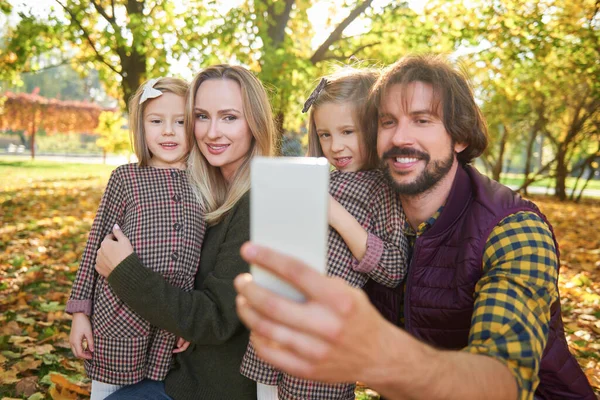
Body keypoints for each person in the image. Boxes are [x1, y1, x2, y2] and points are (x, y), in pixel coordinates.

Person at [234, 55, 596, 400]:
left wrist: (378, 353)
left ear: (459, 136)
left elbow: (503, 381)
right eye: (388, 122)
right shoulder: (370, 205)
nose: (399, 137)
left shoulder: (513, 230)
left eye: (421, 120)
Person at [93, 65, 276, 400]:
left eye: (230, 117)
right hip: (171, 369)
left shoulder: (258, 202)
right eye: (201, 116)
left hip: (207, 388)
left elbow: (215, 319)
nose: (211, 132)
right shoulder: (200, 191)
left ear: (255, 123)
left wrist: (124, 271)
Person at [241, 69, 409, 400]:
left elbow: (394, 268)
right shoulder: (317, 179)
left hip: (325, 332)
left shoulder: (384, 190)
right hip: (279, 316)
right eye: (326, 135)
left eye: (348, 131)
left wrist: (336, 215)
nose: (336, 146)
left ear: (375, 127)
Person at [66, 77, 203, 400]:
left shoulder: (203, 184)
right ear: (141, 128)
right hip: (117, 317)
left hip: (170, 316)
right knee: (110, 392)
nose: (168, 131)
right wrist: (80, 314)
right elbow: (95, 246)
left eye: (180, 122)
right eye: (156, 121)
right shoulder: (126, 178)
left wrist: (188, 320)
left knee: (154, 391)